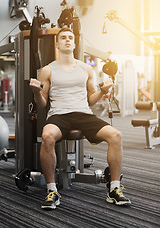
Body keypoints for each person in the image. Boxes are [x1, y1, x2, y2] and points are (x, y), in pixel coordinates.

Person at [30, 27, 131, 209]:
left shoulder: (86, 68)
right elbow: (42, 104)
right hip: (59, 114)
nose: (67, 40)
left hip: (83, 114)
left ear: (75, 43)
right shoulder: (47, 70)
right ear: (58, 44)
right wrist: (37, 92)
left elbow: (91, 99)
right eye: (63, 38)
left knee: (116, 135)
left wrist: (102, 90)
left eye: (70, 37)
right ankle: (52, 190)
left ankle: (114, 189)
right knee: (46, 136)